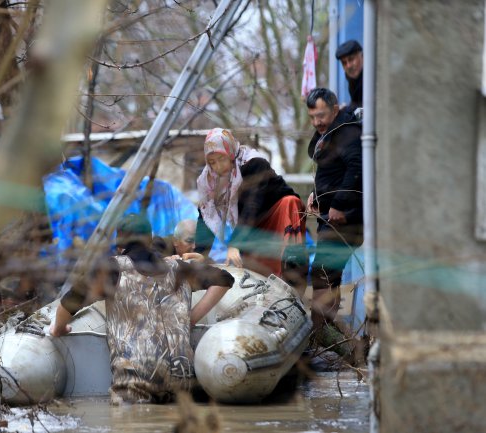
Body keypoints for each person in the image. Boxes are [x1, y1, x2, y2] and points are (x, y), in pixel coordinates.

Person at [50, 213, 234, 405]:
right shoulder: (178, 268)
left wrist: (58, 328)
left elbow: (68, 303)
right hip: (183, 382)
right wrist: (192, 318)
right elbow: (225, 279)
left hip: (134, 385)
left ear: (119, 244)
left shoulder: (112, 269)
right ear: (150, 239)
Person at [194, 128, 308, 294]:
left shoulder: (254, 164)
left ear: (231, 153)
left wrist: (235, 244)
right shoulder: (209, 181)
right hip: (251, 228)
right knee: (257, 282)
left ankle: (292, 289)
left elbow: (252, 206)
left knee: (290, 203)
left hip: (276, 217)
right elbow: (206, 216)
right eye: (212, 162)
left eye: (221, 158)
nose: (218, 166)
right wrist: (200, 253)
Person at [305, 87, 363, 339]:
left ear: (335, 110)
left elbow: (355, 169)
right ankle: (325, 338)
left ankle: (325, 339)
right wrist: (315, 195)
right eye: (312, 117)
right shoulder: (331, 132)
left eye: (321, 115)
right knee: (325, 275)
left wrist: (338, 204)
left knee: (324, 274)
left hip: (344, 218)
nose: (316, 122)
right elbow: (331, 172)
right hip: (331, 216)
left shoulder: (347, 133)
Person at [335, 39, 363, 111]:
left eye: (351, 59)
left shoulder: (373, 76)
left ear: (362, 56)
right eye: (344, 63)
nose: (348, 66)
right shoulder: (351, 78)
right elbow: (356, 102)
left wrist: (348, 109)